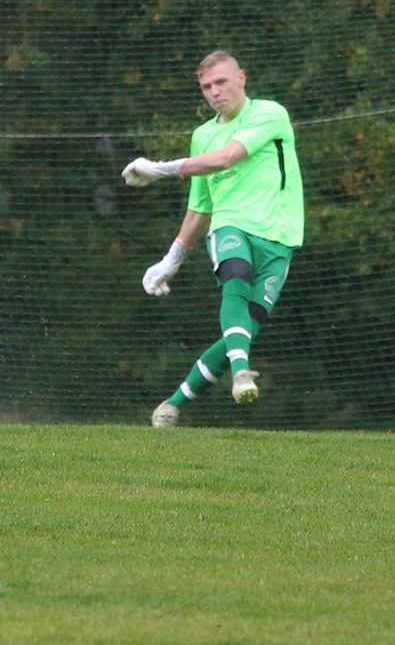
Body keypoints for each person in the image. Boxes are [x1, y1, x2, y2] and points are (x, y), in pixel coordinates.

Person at [122, 51, 304, 427]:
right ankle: (241, 372)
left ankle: (171, 406)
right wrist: (172, 258)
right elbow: (200, 207)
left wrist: (162, 169)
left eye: (221, 82)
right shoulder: (202, 135)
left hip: (280, 236)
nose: (215, 92)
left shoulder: (269, 112)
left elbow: (227, 158)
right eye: (206, 87)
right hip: (230, 225)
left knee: (245, 327)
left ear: (242, 78)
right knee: (235, 281)